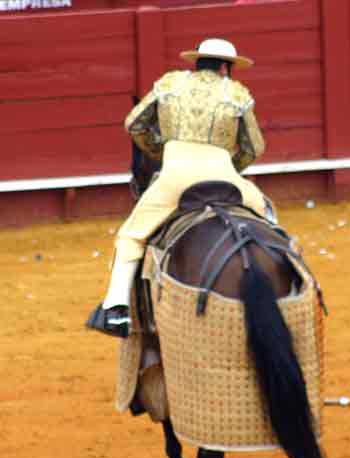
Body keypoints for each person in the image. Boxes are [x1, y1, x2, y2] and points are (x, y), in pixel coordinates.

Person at [87, 38, 267, 338]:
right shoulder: (237, 93)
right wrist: (231, 169)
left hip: (174, 174)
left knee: (132, 235)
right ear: (225, 67)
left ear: (198, 62)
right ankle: (298, 279)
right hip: (224, 174)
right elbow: (254, 148)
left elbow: (134, 124)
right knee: (266, 216)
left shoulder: (169, 83)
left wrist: (158, 152)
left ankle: (115, 310)